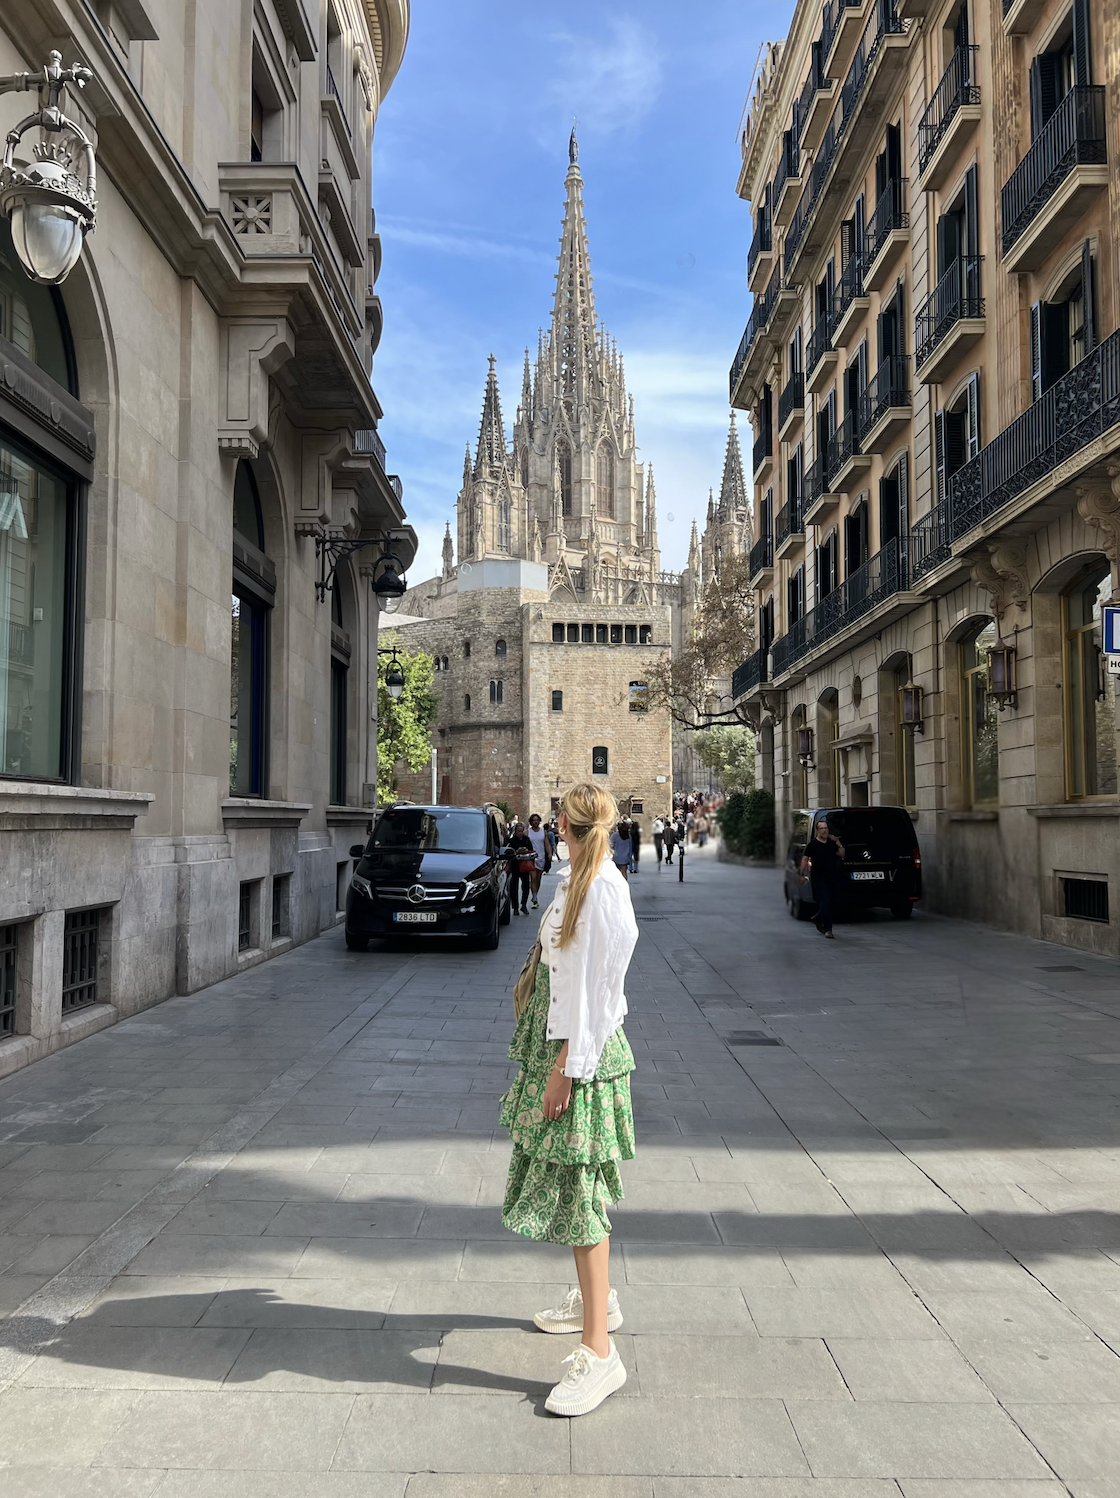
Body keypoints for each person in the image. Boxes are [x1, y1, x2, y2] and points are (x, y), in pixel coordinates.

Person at [499, 783, 638, 1417]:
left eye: (560, 822)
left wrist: (566, 1071)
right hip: (561, 1049)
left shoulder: (603, 891)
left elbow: (600, 996)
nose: (555, 829)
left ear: (567, 824)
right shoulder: (576, 876)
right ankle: (596, 1301)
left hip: (576, 1058)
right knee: (571, 1186)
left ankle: (600, 1355)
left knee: (580, 1193)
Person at [799, 816, 847, 938]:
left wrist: (838, 843)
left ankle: (817, 917)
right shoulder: (813, 845)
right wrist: (801, 874)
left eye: (826, 828)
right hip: (819, 878)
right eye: (821, 829)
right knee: (825, 901)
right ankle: (828, 929)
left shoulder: (832, 843)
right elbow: (805, 859)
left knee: (832, 901)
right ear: (818, 830)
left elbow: (841, 854)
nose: (824, 831)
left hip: (833, 877)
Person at [506, 821, 536, 915]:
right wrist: (517, 851)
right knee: (514, 887)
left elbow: (531, 851)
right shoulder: (512, 841)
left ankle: (523, 905)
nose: (520, 833)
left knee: (526, 886)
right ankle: (515, 907)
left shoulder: (526, 839)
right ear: (515, 831)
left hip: (525, 865)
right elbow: (509, 852)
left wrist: (526, 851)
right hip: (515, 866)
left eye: (522, 831)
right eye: (519, 831)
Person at [527, 813, 552, 909]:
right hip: (531, 858)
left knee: (538, 878)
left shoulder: (543, 832)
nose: (535, 822)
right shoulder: (528, 832)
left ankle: (535, 893)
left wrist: (549, 853)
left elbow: (547, 844)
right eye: (533, 820)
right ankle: (534, 897)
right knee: (533, 877)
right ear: (531, 822)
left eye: (537, 820)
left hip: (541, 857)